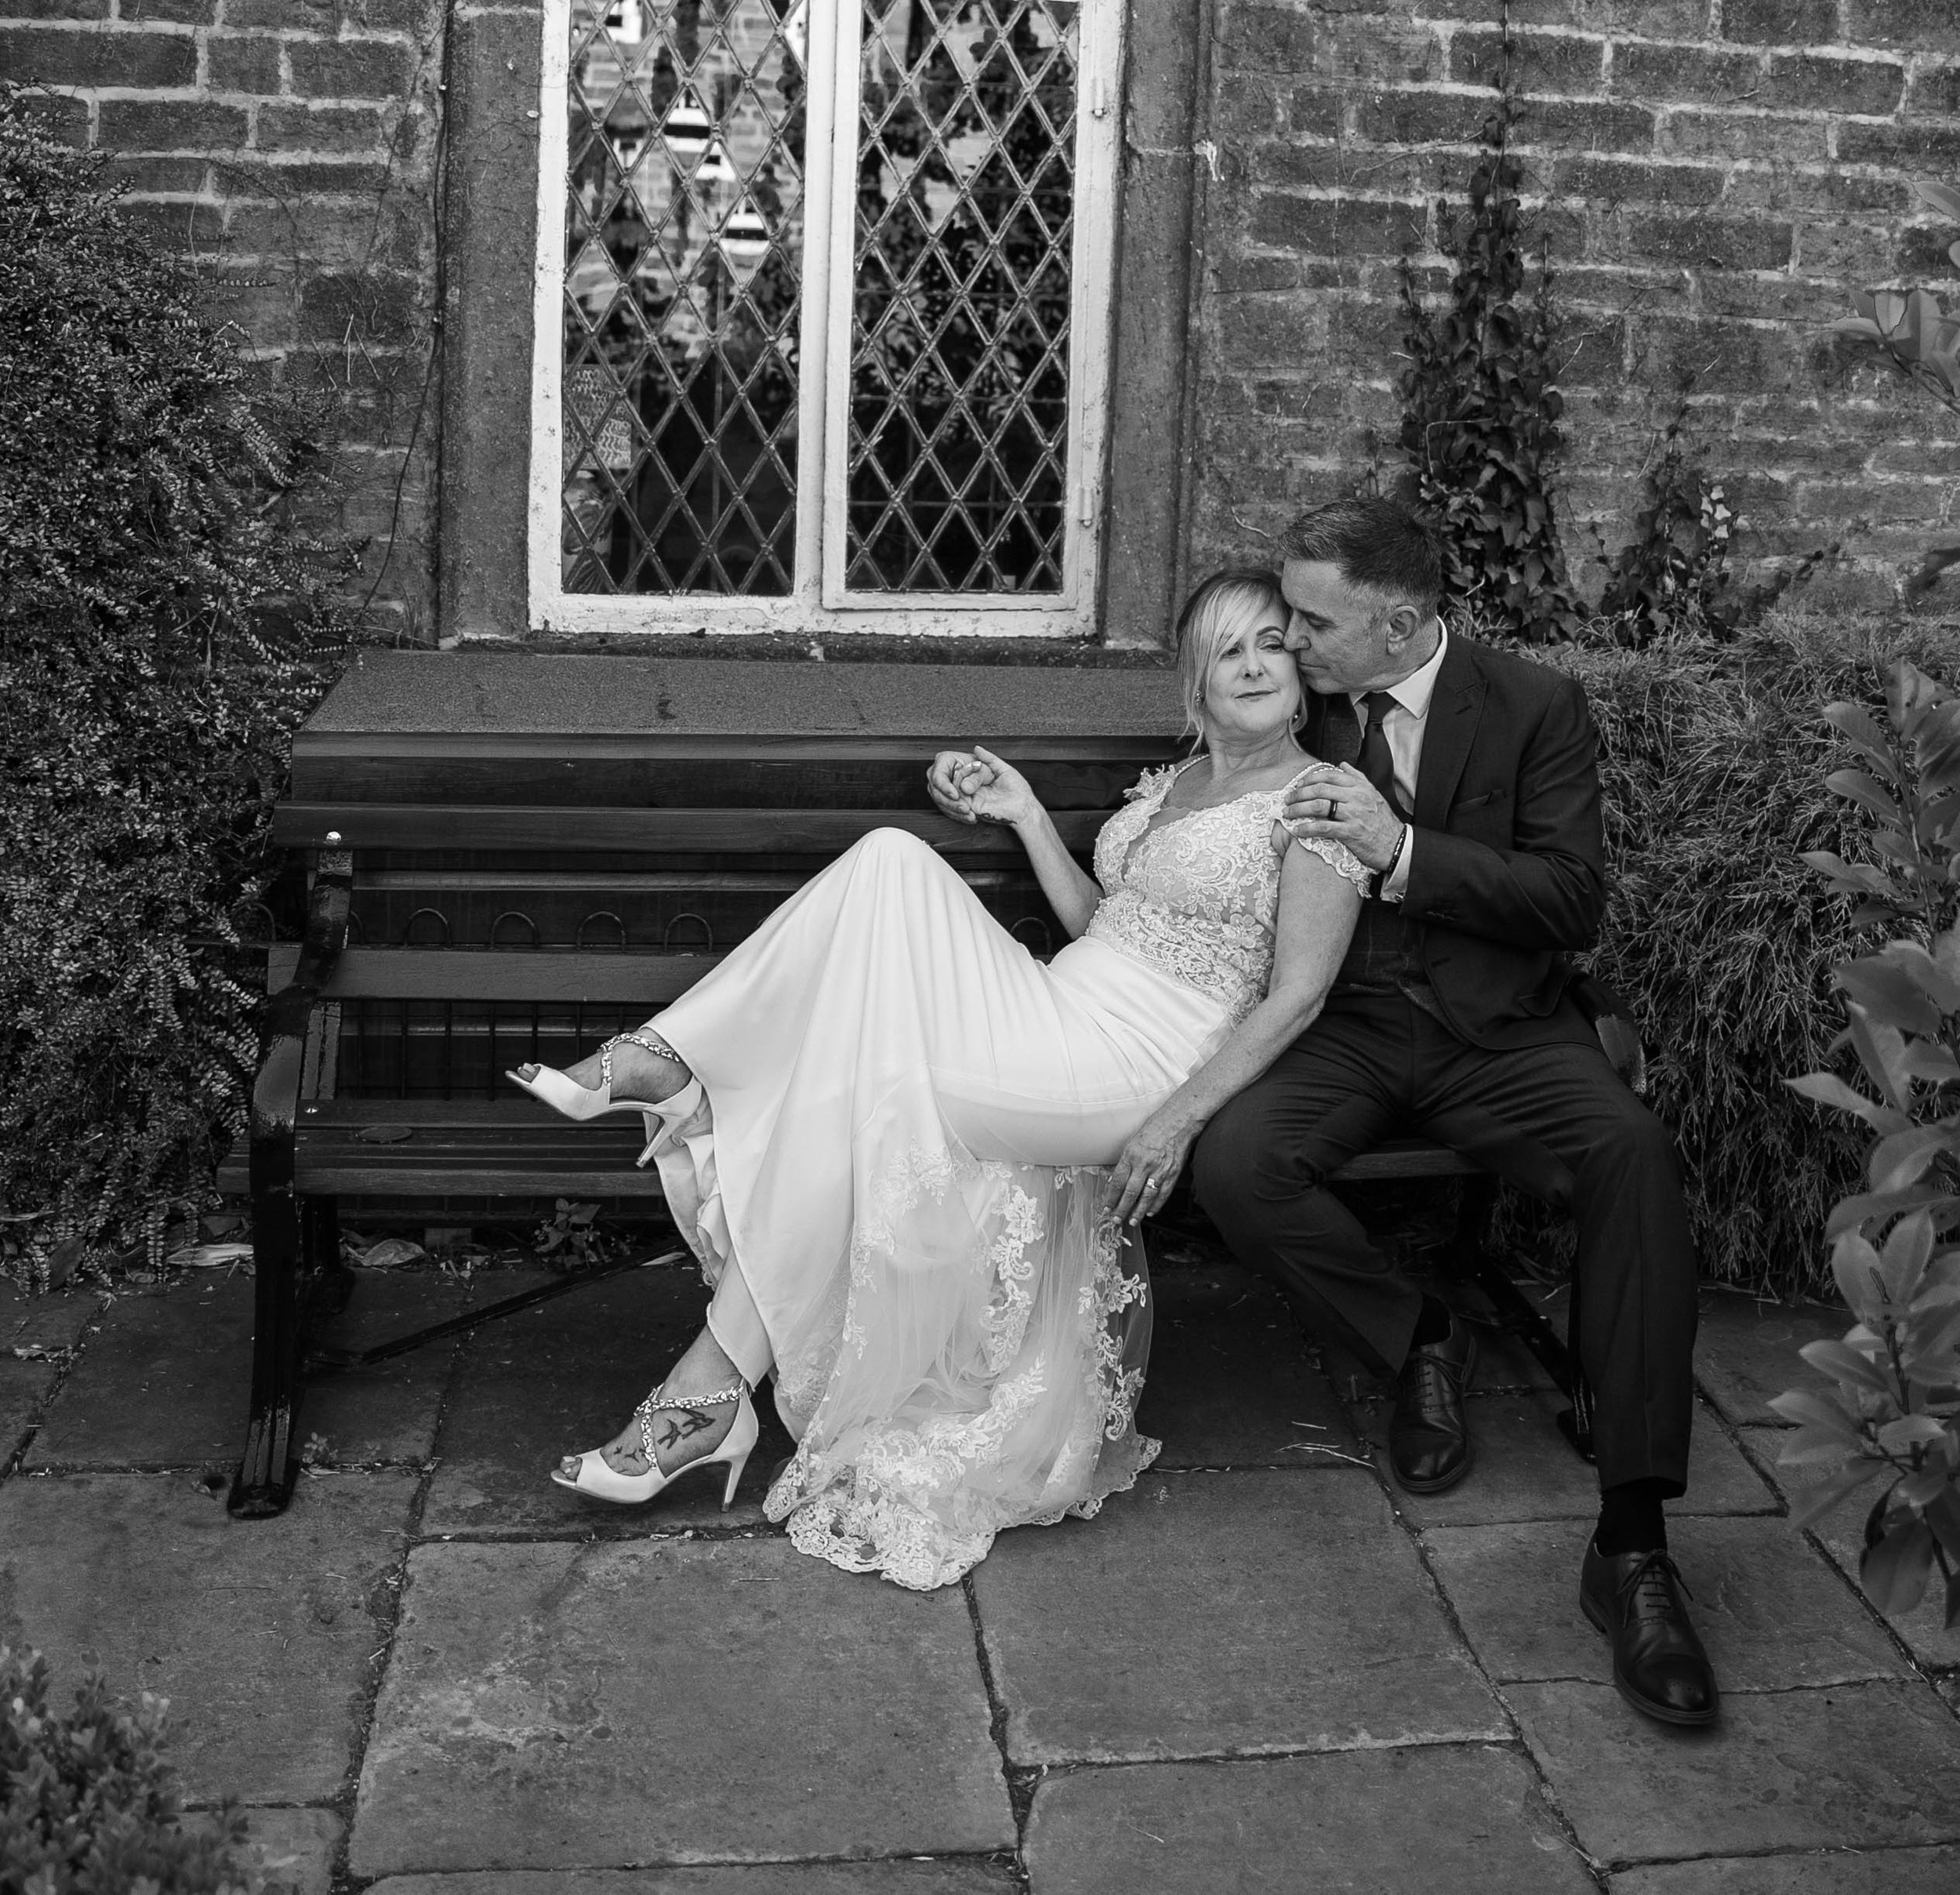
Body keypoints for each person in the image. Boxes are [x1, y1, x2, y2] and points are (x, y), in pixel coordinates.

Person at [510, 568, 1367, 1590]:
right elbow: (1111, 924)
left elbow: (1296, 997)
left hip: (1130, 1070)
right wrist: (1028, 816)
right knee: (890, 859)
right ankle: (681, 1128)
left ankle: (697, 1343)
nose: (1259, 663)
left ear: (1302, 674)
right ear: (1198, 681)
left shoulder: (1315, 803)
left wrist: (1175, 1125)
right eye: (1233, 650)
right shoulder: (1175, 789)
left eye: (1274, 642)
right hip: (1057, 1010)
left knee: (871, 1081)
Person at [1191, 493, 1717, 1730]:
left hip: (1502, 1033)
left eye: (1313, 623)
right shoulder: (1304, 697)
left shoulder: (1535, 706)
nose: (1290, 639)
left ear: (1402, 623)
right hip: (1351, 1029)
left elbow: (1568, 899)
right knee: (1237, 1165)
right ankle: (1420, 1333)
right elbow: (1201, 760)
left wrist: (1404, 848)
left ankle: (1634, 1549)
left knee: (1633, 1157)